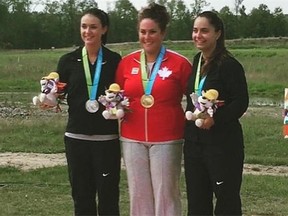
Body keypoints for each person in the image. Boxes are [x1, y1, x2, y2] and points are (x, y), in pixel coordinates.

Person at [115, 3, 192, 216]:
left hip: (167, 138)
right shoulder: (126, 63)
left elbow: (196, 98)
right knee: (138, 194)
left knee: (166, 193)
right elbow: (116, 96)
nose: (147, 37)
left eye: (152, 32)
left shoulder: (180, 63)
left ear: (163, 32)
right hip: (131, 137)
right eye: (142, 32)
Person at [56, 8, 122, 216]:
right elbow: (57, 94)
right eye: (84, 27)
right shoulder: (67, 60)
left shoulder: (114, 60)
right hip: (76, 138)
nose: (88, 32)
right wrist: (48, 100)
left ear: (104, 29)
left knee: (108, 196)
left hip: (106, 139)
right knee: (81, 196)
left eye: (93, 27)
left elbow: (121, 95)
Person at [184, 11, 249, 216]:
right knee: (197, 201)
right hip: (195, 145)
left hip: (223, 145)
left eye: (204, 31)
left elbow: (241, 102)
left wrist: (216, 119)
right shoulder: (197, 60)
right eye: (195, 30)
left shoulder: (229, 65)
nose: (198, 35)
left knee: (226, 201)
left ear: (217, 33)